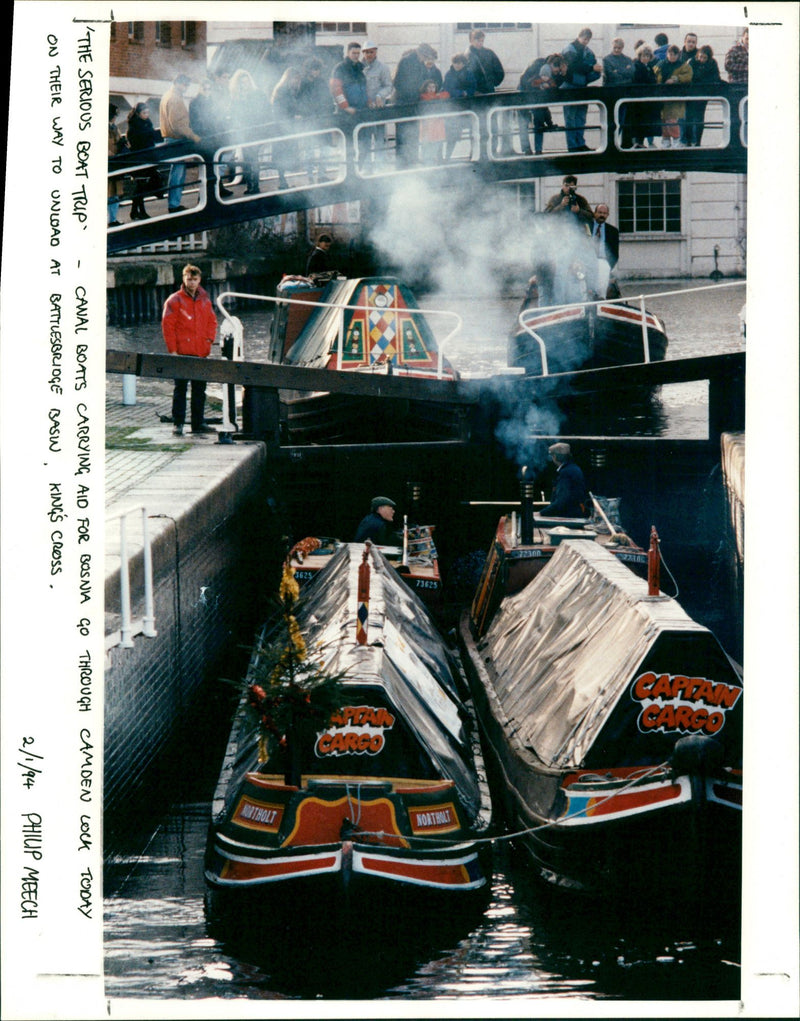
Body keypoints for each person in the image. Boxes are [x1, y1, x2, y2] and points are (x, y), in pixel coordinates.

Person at [161, 264, 218, 437]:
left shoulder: (205, 300)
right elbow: (167, 326)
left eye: (194, 279)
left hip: (201, 351)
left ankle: (198, 423)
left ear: (199, 280)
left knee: (200, 389)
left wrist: (209, 341)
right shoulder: (174, 300)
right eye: (189, 279)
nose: (191, 282)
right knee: (180, 389)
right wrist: (173, 350)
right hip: (182, 352)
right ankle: (178, 424)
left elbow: (212, 322)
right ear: (183, 279)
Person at [392, 43, 441, 166]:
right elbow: (397, 82)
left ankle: (412, 160)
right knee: (403, 134)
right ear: (421, 53)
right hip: (403, 103)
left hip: (414, 102)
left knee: (413, 133)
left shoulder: (420, 64)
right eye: (425, 56)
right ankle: (402, 163)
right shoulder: (406, 61)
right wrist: (411, 93)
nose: (425, 60)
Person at [159, 73, 200, 212]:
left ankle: (174, 203)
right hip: (176, 139)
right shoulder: (175, 98)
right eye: (184, 84)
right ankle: (174, 204)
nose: (186, 88)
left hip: (170, 138)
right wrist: (193, 136)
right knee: (178, 172)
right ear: (177, 83)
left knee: (176, 171)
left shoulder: (167, 96)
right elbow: (177, 124)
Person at [560, 28, 602, 152]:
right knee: (571, 117)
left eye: (588, 39)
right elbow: (572, 66)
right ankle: (573, 145)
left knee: (580, 117)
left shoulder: (586, 51)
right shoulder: (569, 50)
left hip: (580, 86)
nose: (586, 41)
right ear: (579, 36)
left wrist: (590, 72)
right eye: (584, 38)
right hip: (570, 86)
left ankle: (580, 143)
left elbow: (584, 66)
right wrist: (591, 69)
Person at [465, 29, 506, 154]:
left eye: (481, 40)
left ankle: (489, 151)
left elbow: (500, 72)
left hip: (487, 93)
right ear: (471, 40)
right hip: (477, 95)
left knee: (490, 124)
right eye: (477, 40)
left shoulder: (487, 54)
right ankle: (479, 152)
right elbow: (465, 77)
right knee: (477, 125)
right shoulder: (468, 56)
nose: (480, 43)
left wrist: (491, 82)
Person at [519, 53, 567, 155]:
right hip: (525, 94)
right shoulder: (538, 65)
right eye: (556, 70)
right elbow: (525, 81)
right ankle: (531, 149)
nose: (556, 73)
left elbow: (554, 86)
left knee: (535, 122)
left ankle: (534, 149)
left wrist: (563, 75)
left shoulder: (545, 67)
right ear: (553, 64)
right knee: (526, 121)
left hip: (536, 97)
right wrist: (540, 86)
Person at [228, 69, 264, 193]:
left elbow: (259, 113)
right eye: (242, 83)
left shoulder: (256, 95)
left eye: (246, 82)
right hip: (244, 132)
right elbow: (234, 114)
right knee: (247, 159)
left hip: (254, 131)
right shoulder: (236, 98)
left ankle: (255, 186)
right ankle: (250, 185)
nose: (245, 85)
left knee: (253, 158)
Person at [126, 102, 162, 219]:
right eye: (144, 113)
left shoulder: (145, 123)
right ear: (138, 113)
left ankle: (136, 211)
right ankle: (139, 211)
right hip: (140, 158)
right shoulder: (135, 127)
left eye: (147, 113)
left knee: (140, 185)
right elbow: (138, 143)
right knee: (141, 184)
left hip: (147, 157)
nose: (147, 115)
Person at [361, 41, 393, 166]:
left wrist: (380, 95)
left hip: (379, 110)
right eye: (366, 52)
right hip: (364, 109)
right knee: (365, 140)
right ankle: (366, 166)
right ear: (363, 53)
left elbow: (388, 86)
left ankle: (380, 165)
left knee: (379, 137)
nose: (369, 54)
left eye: (371, 52)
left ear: (376, 52)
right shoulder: (358, 68)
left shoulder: (383, 68)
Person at [271, 66, 303, 189]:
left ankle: (283, 181)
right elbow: (281, 110)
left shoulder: (288, 91)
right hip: (282, 128)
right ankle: (282, 181)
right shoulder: (283, 91)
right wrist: (293, 117)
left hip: (286, 127)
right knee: (282, 155)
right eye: (295, 79)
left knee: (285, 155)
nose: (296, 81)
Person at [655, 45, 692, 148]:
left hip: (676, 96)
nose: (671, 56)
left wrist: (676, 79)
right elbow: (655, 74)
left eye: (673, 54)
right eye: (669, 54)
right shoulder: (661, 64)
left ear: (678, 55)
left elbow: (688, 76)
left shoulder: (683, 66)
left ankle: (676, 139)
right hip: (663, 96)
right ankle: (665, 140)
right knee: (664, 119)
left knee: (672, 120)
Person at [442, 53, 477, 158]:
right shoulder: (448, 74)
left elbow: (473, 86)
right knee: (452, 133)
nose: (457, 65)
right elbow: (447, 89)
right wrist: (461, 93)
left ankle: (472, 153)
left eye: (460, 63)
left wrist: (468, 92)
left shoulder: (469, 74)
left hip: (467, 107)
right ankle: (448, 156)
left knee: (472, 131)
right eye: (455, 63)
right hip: (453, 107)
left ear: (464, 63)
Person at [539, 443, 587, 518]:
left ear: (554, 456)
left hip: (569, 515)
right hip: (577, 512)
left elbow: (562, 500)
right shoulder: (574, 468)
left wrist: (542, 513)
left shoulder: (565, 473)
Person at [629, 44, 658, 147]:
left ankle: (640, 142)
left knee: (644, 120)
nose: (645, 58)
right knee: (639, 120)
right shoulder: (637, 67)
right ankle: (637, 142)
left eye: (647, 56)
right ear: (639, 56)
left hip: (646, 99)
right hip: (639, 99)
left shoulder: (649, 67)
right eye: (643, 56)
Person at [330, 41, 368, 115]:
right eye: (354, 53)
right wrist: (345, 107)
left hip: (361, 110)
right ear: (348, 52)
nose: (356, 56)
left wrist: (368, 102)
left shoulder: (361, 69)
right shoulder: (340, 69)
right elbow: (336, 90)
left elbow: (365, 89)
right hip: (346, 112)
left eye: (358, 53)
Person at [591, 204, 619, 296]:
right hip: (588, 261)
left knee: (601, 290)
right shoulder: (586, 227)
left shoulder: (613, 231)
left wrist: (608, 266)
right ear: (594, 213)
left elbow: (615, 253)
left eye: (604, 213)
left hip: (604, 262)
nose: (602, 215)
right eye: (599, 213)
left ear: (607, 215)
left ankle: (601, 304)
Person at [107, 104, 127, 226]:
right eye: (114, 115)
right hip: (112, 162)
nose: (115, 118)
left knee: (113, 192)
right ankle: (111, 219)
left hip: (114, 161)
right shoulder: (110, 128)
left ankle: (112, 219)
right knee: (110, 192)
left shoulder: (113, 127)